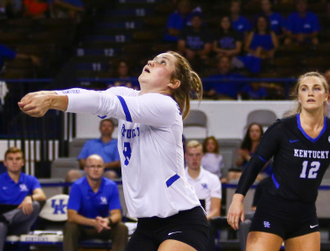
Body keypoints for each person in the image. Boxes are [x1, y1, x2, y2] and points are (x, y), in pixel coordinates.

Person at [18, 51, 211, 251]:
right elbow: (92, 96)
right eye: (153, 58)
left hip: (182, 221)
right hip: (146, 224)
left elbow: (107, 104)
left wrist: (51, 101)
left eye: (162, 62)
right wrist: (50, 95)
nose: (151, 61)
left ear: (173, 82)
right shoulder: (128, 95)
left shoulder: (166, 106)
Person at [227, 72, 330, 251]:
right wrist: (237, 199)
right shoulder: (282, 128)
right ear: (299, 96)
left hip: (305, 213)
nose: (310, 93)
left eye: (316, 88)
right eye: (304, 89)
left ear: (326, 96)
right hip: (273, 208)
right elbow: (254, 164)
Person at [0, 147, 47, 251]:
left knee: (36, 205)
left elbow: (41, 195)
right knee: (0, 225)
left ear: (23, 162)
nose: (14, 162)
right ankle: (0, 219)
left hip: (18, 224)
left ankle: (0, 218)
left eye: (17, 159)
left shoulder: (30, 180)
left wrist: (30, 197)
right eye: (11, 159)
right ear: (5, 163)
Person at [64, 154, 128, 251]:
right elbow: (71, 216)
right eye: (92, 166)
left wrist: (107, 221)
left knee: (121, 228)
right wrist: (93, 223)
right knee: (70, 227)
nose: (96, 169)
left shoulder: (111, 186)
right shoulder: (77, 186)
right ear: (85, 169)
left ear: (103, 169)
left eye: (99, 166)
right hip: (83, 228)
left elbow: (117, 215)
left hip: (105, 227)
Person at [185, 141, 222, 251]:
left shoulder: (213, 179)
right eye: (191, 155)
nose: (194, 158)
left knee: (208, 228)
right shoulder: (179, 180)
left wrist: (200, 220)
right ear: (186, 156)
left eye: (197, 155)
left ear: (202, 155)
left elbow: (216, 210)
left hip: (205, 222)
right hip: (183, 222)